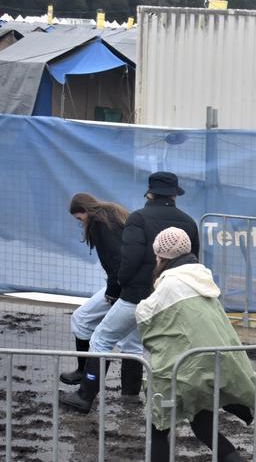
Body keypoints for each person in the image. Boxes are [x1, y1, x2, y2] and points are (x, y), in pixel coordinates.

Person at [61, 172, 200, 413]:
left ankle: (85, 395)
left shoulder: (139, 218)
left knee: (101, 339)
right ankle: (130, 395)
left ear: (150, 193)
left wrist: (122, 284)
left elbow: (129, 258)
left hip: (136, 293)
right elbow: (192, 261)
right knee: (134, 345)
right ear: (175, 195)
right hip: (167, 295)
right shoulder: (188, 222)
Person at [135, 227, 256, 462]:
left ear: (161, 256)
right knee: (203, 425)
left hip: (185, 370)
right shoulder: (200, 278)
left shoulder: (171, 284)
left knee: (158, 428)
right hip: (209, 365)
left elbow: (146, 317)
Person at [60, 193, 143, 396]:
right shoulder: (114, 213)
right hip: (139, 284)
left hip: (123, 286)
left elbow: (115, 258)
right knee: (132, 344)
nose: (81, 224)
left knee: (83, 320)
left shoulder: (99, 222)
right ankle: (130, 398)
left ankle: (85, 376)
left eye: (79, 219)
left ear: (85, 211)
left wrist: (112, 292)